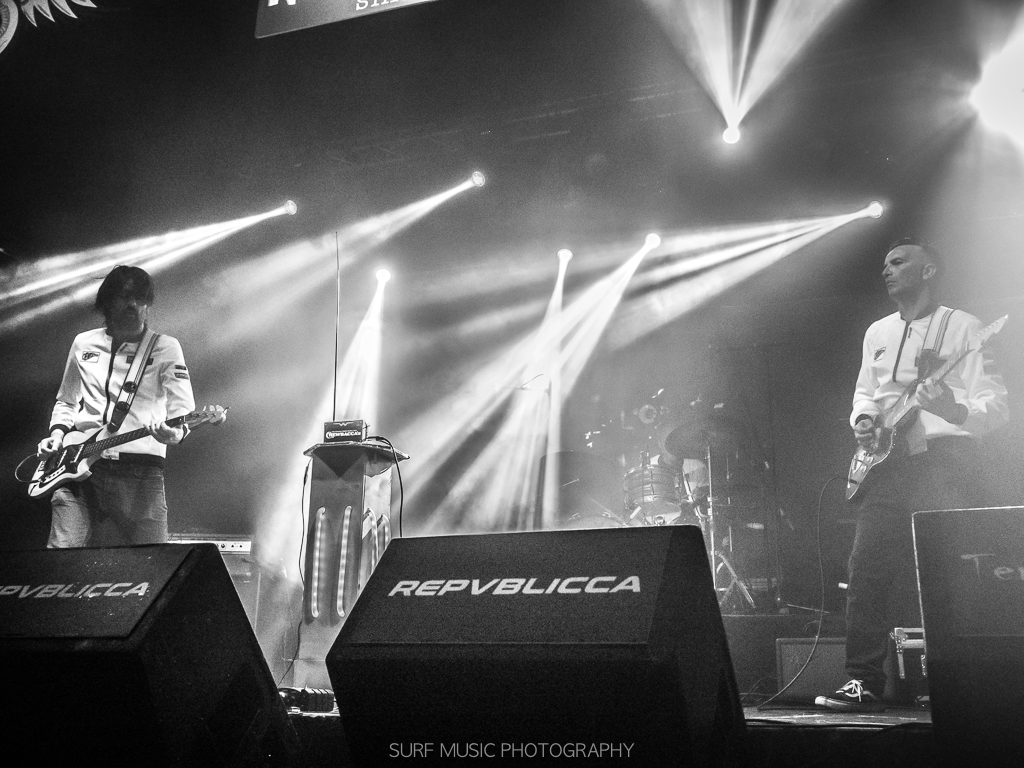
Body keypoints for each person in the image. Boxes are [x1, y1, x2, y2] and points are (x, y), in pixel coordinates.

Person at [820, 238, 1009, 711]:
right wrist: (864, 419)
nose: (887, 269)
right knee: (866, 570)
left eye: (899, 262)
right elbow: (866, 392)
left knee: (945, 572)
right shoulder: (877, 332)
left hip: (943, 462)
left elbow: (996, 407)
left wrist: (951, 408)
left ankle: (957, 681)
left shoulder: (965, 327)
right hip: (887, 466)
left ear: (928, 271)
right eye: (885, 263)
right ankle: (863, 681)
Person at [37, 265, 223, 548]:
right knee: (61, 554)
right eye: (125, 297)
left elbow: (182, 409)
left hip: (140, 471)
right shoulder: (83, 343)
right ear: (107, 302)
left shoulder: (165, 347)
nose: (133, 305)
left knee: (152, 562)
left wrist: (175, 434)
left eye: (141, 299)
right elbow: (67, 399)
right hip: (77, 464)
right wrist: (57, 435)